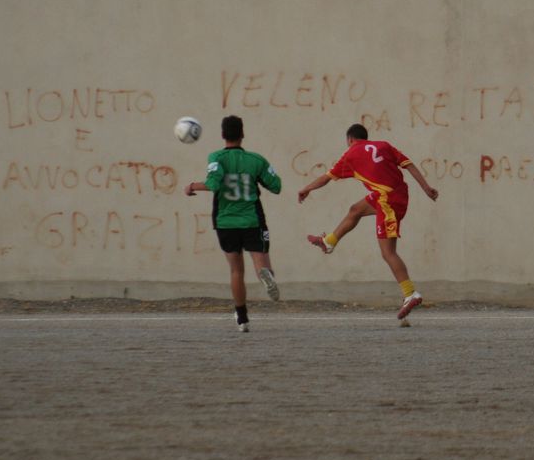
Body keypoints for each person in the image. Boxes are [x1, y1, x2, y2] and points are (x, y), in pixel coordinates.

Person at [298, 124, 439, 327]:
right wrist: (426, 188)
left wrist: (306, 189)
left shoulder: (350, 154)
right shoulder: (383, 145)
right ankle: (329, 242)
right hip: (394, 194)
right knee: (355, 210)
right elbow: (409, 165)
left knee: (388, 253)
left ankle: (410, 293)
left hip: (388, 201)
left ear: (350, 139)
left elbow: (326, 178)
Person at [184, 115, 282, 332]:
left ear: (223, 135)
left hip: (225, 221)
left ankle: (242, 319)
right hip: (252, 219)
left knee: (236, 271)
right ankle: (265, 273)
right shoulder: (256, 160)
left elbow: (213, 183)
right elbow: (276, 186)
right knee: (260, 260)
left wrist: (192, 186)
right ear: (242, 134)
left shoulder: (216, 158)